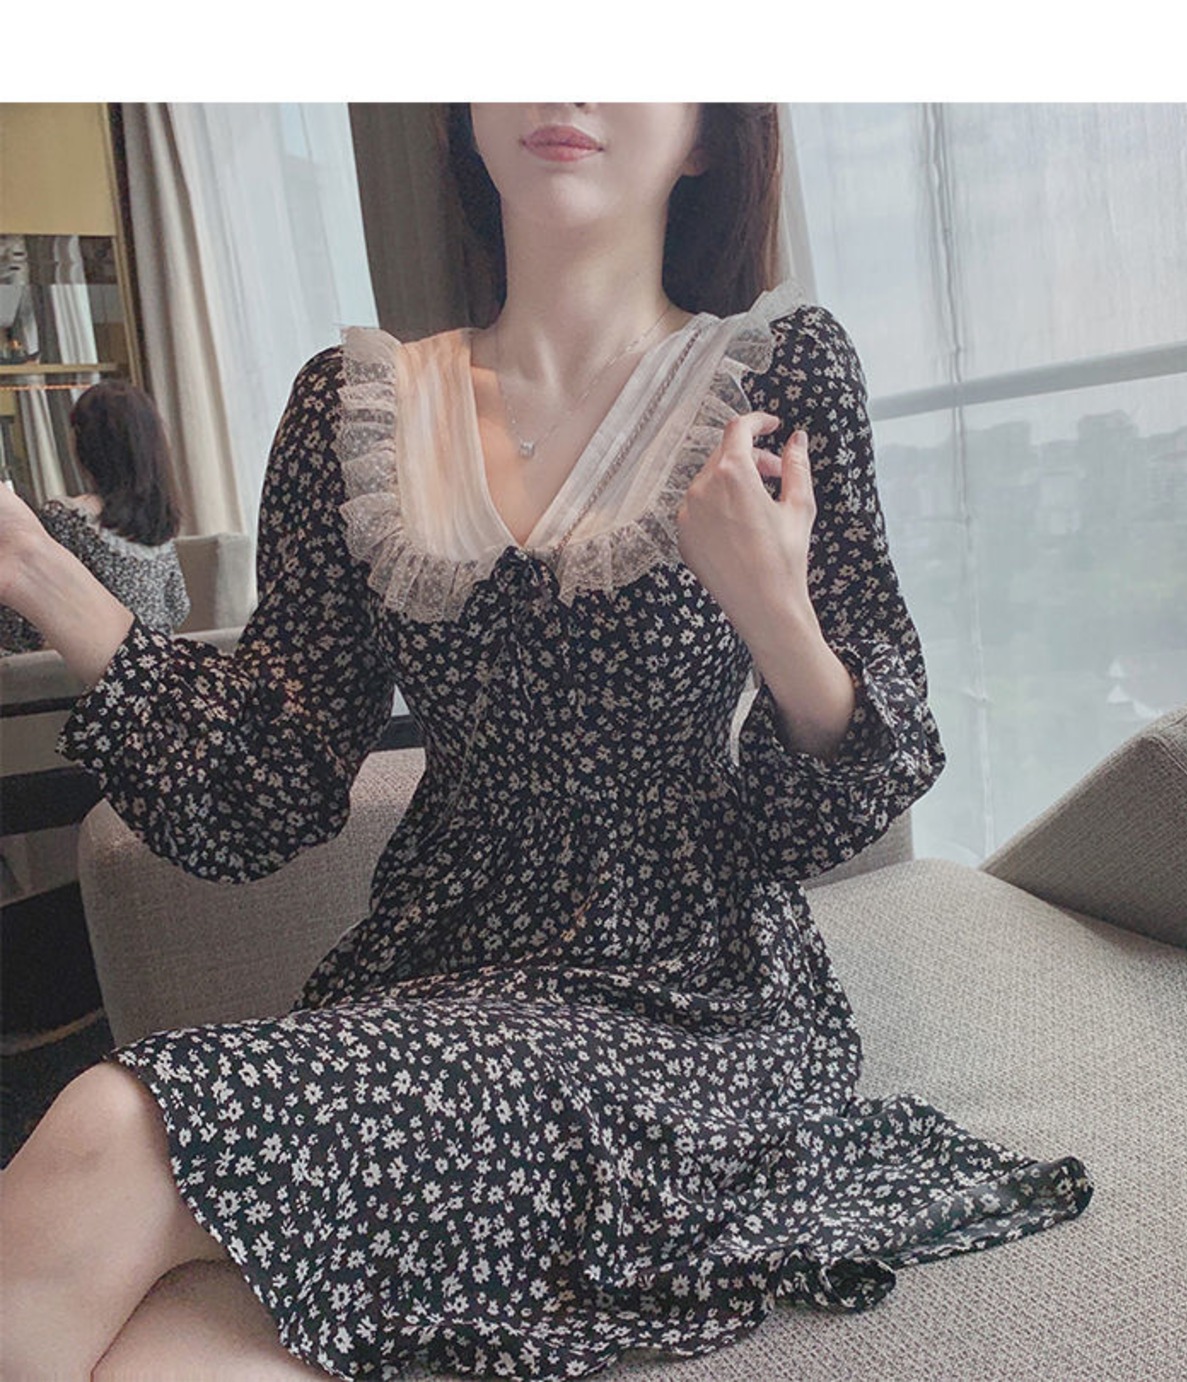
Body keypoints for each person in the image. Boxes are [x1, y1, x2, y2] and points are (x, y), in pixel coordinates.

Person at [0, 104, 1091, 1381]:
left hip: (687, 997)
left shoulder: (775, 375)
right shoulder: (349, 409)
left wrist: (773, 610)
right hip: (431, 973)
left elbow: (835, 805)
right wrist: (31, 561)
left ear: (704, 135)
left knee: (111, 1126)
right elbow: (264, 789)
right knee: (173, 1345)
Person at [0, 379, 190, 654]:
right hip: (155, 665)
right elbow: (178, 607)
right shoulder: (158, 524)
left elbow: (20, 629)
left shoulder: (65, 518)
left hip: (77, 673)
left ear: (83, 443)